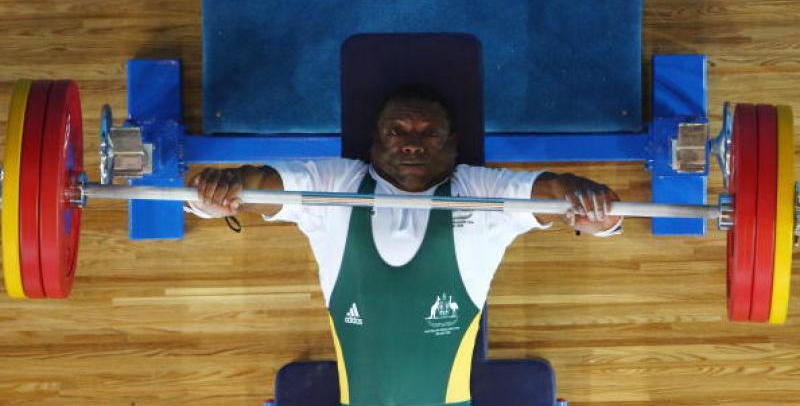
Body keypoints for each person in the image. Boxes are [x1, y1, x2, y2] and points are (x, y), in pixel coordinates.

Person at [188, 84, 622, 406]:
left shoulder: (482, 190)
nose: (412, 143)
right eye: (397, 131)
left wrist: (591, 205)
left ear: (453, 145)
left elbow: (553, 193)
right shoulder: (333, 184)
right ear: (375, 143)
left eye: (429, 133)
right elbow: (258, 184)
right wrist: (219, 190)